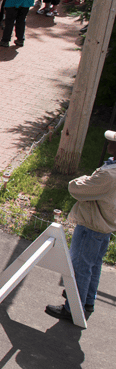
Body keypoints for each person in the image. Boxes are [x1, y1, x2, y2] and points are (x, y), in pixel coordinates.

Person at [45, 130, 116, 321]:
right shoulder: (111, 169)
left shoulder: (109, 175)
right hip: (105, 227)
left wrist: (82, 178)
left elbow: (76, 188)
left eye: (113, 141)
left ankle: (72, 309)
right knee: (94, 266)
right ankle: (87, 302)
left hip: (91, 226)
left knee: (80, 267)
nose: (109, 143)